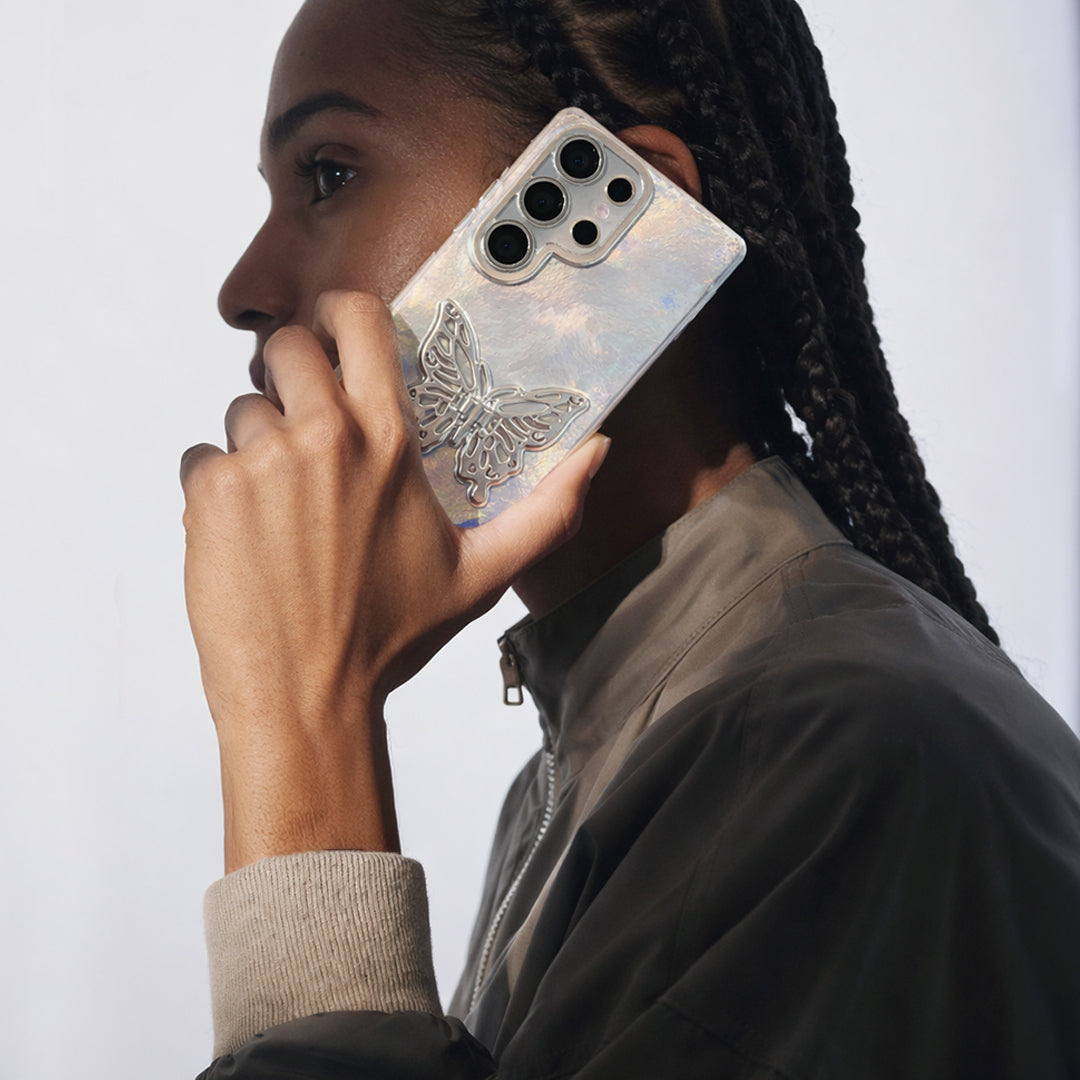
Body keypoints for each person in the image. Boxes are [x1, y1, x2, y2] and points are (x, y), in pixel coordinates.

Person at [181, 1, 1080, 1076]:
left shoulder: (845, 757)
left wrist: (302, 721)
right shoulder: (603, 772)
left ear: (612, 218)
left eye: (329, 174)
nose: (242, 292)